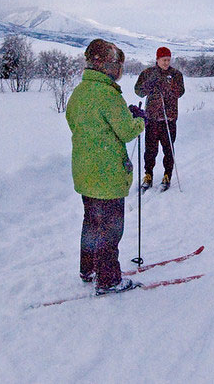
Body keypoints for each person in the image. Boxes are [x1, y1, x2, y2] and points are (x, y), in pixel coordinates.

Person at [66, 39, 147, 295]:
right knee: (110, 229)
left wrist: (125, 115)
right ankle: (109, 279)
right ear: (107, 66)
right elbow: (125, 132)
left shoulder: (80, 92)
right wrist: (139, 120)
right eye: (117, 65)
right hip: (107, 174)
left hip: (84, 172)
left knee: (91, 223)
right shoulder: (107, 94)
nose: (119, 70)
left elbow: (77, 123)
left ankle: (88, 268)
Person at [134, 47, 185, 192]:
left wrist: (168, 87)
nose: (166, 62)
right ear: (157, 59)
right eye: (164, 60)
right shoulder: (148, 73)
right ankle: (148, 175)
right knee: (150, 150)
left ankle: (167, 175)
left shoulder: (176, 74)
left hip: (169, 118)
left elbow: (180, 92)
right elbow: (138, 91)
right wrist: (148, 84)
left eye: (168, 60)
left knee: (168, 149)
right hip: (152, 118)